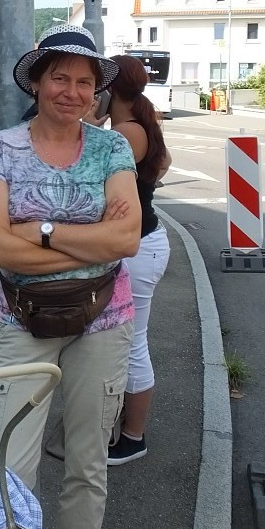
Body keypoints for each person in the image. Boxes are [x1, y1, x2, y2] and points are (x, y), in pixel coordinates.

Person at [0, 24, 141, 529]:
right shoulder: (0, 150)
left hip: (105, 320)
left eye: (84, 81)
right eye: (59, 77)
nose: (71, 91)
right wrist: (85, 235)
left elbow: (124, 243)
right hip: (24, 322)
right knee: (9, 464)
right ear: (37, 81)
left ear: (97, 90)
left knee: (86, 464)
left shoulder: (112, 151)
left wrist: (38, 230)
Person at [105, 55, 172, 466]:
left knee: (132, 345)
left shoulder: (125, 133)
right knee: (129, 342)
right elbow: (162, 165)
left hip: (138, 249)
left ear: (110, 89)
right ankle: (125, 427)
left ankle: (133, 437)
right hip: (146, 243)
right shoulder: (138, 124)